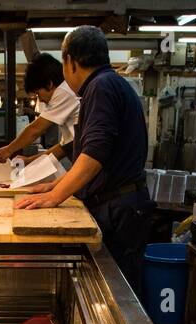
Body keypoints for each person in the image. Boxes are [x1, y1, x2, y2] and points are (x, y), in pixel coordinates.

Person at [14, 26, 154, 295]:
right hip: (120, 205)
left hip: (120, 209)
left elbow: (94, 155)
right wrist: (56, 186)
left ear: (71, 61)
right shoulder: (107, 85)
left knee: (121, 295)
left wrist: (55, 196)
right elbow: (88, 153)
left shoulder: (100, 87)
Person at [0, 53, 78, 166]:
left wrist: (8, 150)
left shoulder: (63, 92)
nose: (40, 100)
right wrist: (29, 161)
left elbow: (36, 129)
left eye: (37, 93)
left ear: (49, 84)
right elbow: (63, 148)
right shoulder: (65, 93)